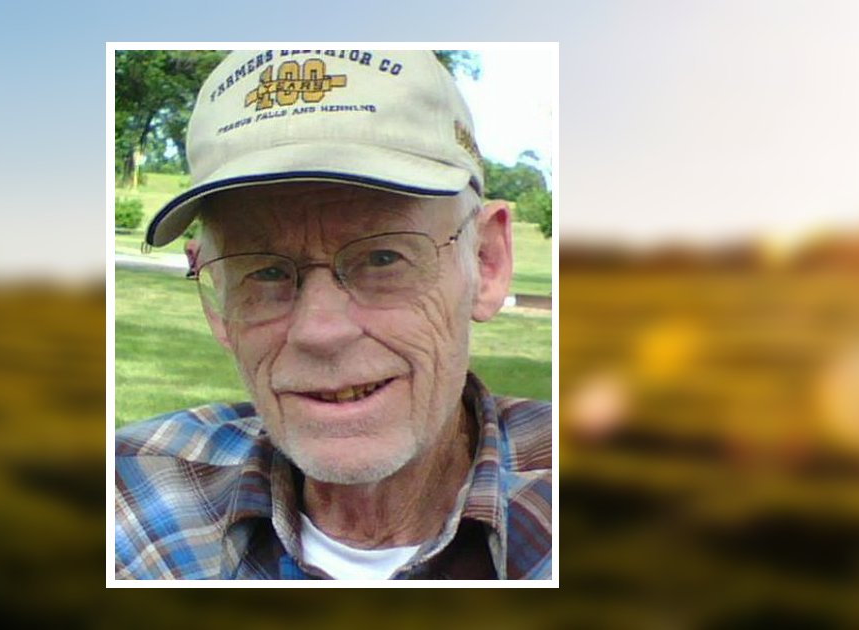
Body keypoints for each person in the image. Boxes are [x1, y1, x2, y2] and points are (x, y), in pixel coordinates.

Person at [115, 49, 552, 580]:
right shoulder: (130, 502)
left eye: (383, 258)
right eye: (264, 272)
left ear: (486, 262)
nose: (320, 331)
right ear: (219, 301)